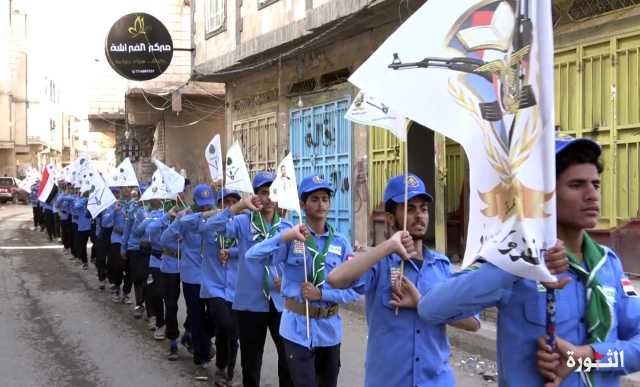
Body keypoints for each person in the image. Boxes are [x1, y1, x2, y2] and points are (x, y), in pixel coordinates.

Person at [415, 137, 640, 386]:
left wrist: (586, 357)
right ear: (544, 196)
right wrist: (521, 262)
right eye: (577, 185)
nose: (591, 195)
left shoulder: (608, 266)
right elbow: (431, 308)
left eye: (595, 185)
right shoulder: (514, 263)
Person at [328, 174, 480, 387]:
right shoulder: (379, 263)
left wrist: (422, 303)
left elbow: (473, 322)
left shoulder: (441, 266)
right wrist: (387, 246)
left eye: (423, 209)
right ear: (391, 218)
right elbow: (335, 279)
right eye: (410, 209)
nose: (419, 216)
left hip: (435, 381)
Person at [245, 175, 362, 387]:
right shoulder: (292, 237)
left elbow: (355, 291)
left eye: (325, 199)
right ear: (302, 204)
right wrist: (285, 236)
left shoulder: (341, 243)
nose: (321, 204)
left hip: (329, 331)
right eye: (314, 199)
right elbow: (251, 255)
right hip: (297, 330)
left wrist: (323, 294)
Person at [209, 171, 293, 387]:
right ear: (255, 196)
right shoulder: (243, 222)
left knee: (288, 359)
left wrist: (285, 281)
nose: (268, 198)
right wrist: (239, 206)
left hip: (280, 302)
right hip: (250, 304)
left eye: (272, 192)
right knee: (251, 362)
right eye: (263, 193)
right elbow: (212, 228)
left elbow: (293, 263)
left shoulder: (286, 228)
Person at [162, 184, 216, 381]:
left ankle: (192, 336)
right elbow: (165, 238)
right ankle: (200, 361)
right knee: (196, 316)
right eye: (201, 206)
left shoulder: (216, 220)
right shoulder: (187, 221)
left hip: (212, 277)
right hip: (192, 277)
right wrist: (178, 220)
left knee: (217, 317)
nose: (204, 210)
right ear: (195, 205)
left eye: (207, 206)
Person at [194, 188, 242, 387]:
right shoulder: (210, 222)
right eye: (226, 201)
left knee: (233, 333)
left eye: (234, 202)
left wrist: (231, 251)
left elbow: (249, 247)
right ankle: (221, 366)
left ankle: (227, 367)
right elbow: (201, 228)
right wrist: (221, 213)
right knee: (224, 325)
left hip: (236, 287)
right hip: (214, 286)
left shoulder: (244, 223)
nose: (230, 205)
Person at [136, 198, 167, 334]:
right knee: (153, 290)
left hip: (172, 261)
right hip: (152, 257)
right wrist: (151, 218)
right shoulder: (150, 215)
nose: (156, 200)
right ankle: (154, 317)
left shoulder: (178, 214)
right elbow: (139, 231)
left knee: (170, 299)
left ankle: (169, 325)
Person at [72, 190, 92, 270]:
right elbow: (75, 207)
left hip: (93, 227)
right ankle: (85, 262)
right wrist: (84, 200)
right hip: (83, 227)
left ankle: (94, 259)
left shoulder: (93, 203)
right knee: (82, 245)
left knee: (96, 246)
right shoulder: (81, 203)